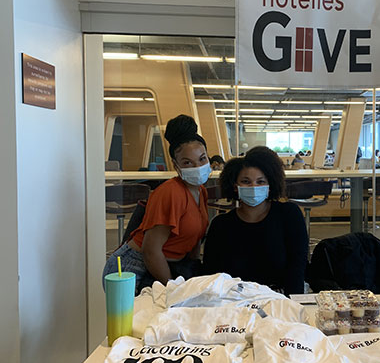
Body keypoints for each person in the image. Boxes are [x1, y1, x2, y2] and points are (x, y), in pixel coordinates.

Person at [103, 115, 211, 294]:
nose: (197, 166)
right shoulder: (171, 192)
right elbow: (150, 251)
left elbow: (194, 239)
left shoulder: (201, 191)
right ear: (176, 166)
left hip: (169, 265)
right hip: (135, 267)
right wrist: (173, 289)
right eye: (187, 162)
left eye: (202, 159)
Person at [203, 146, 308, 295]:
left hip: (279, 300)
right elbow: (212, 276)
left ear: (270, 185)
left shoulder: (289, 215)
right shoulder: (221, 225)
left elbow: (297, 267)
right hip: (235, 303)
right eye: (246, 181)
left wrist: (293, 307)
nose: (253, 187)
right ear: (235, 186)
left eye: (260, 182)